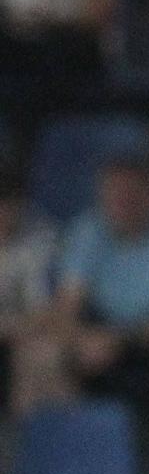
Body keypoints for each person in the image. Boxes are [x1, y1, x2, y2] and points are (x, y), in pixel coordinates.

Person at [14, 150, 149, 418]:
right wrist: (81, 338)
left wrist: (124, 340)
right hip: (99, 332)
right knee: (39, 354)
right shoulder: (87, 230)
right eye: (112, 192)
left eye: (130, 192)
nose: (120, 200)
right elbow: (65, 308)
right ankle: (73, 442)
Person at [0, 162, 57, 396]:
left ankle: (28, 430)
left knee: (41, 353)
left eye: (6, 208)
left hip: (22, 329)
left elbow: (42, 313)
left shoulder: (40, 240)